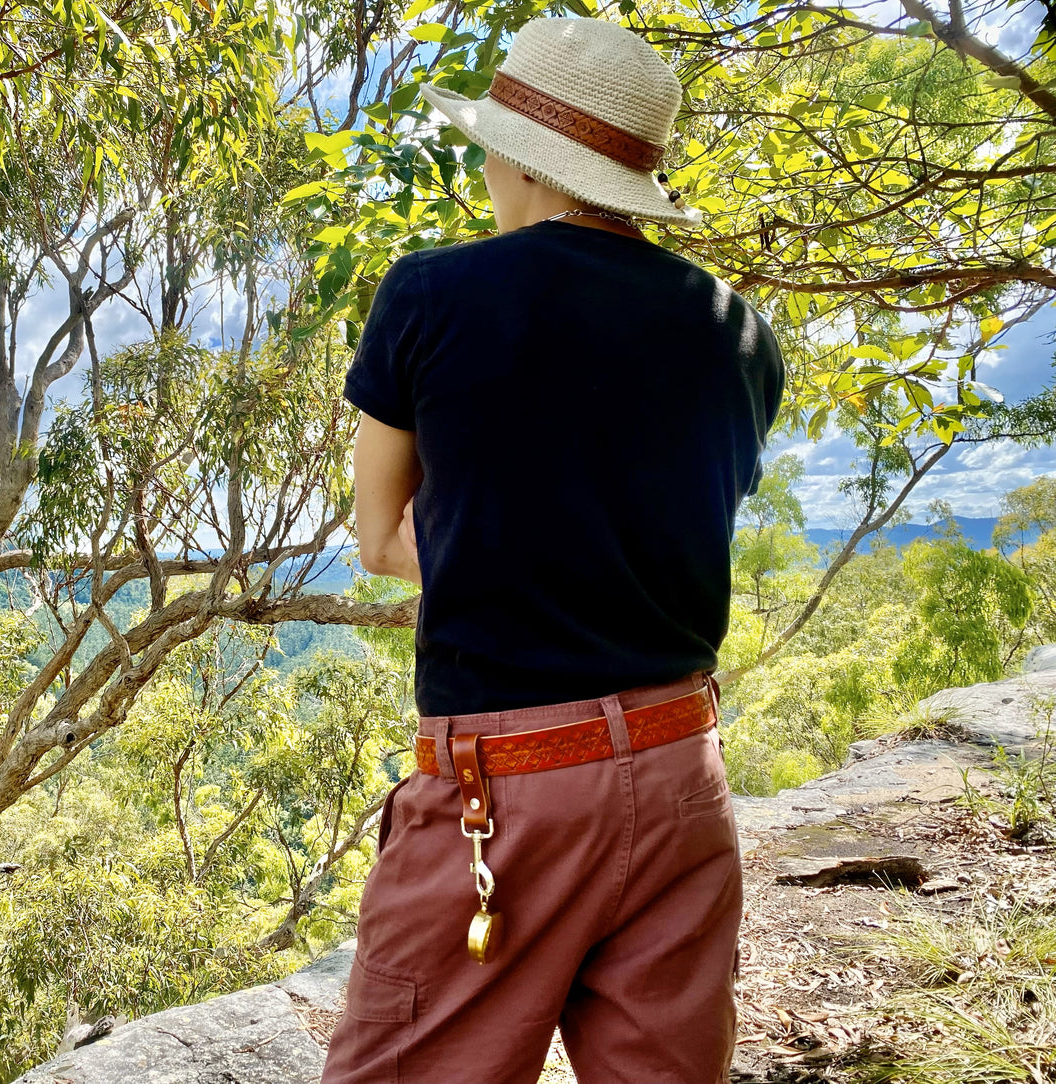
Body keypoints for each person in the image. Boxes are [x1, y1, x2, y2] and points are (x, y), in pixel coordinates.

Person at [320, 15, 785, 1084]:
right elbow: (659, 531)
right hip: (680, 776)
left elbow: (382, 539)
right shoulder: (740, 333)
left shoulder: (430, 293)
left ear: (516, 155)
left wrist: (500, 556)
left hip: (508, 800)